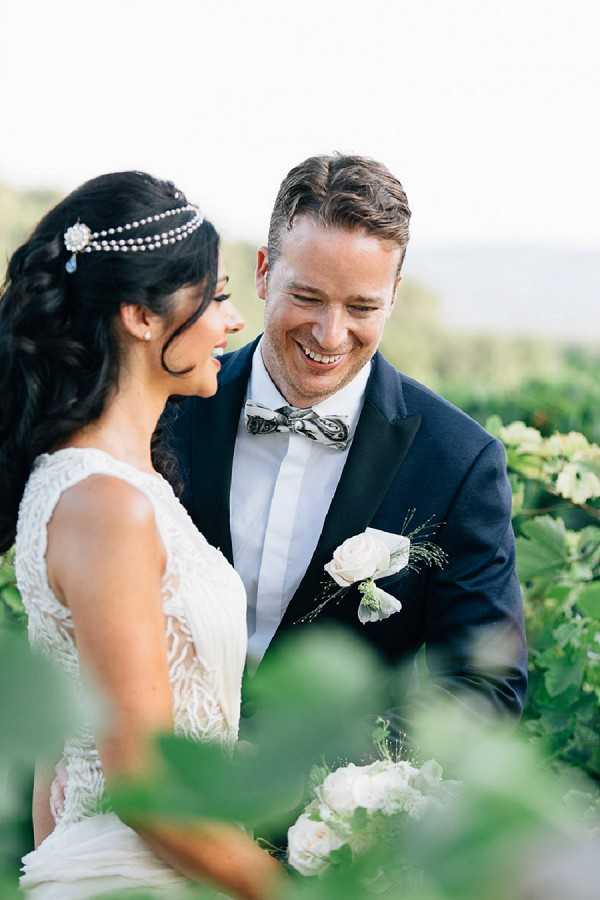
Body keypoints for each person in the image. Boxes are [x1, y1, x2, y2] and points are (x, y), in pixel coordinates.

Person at [0, 172, 281, 899]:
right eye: (216, 297)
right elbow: (146, 787)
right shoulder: (105, 503)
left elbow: (56, 763)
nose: (232, 322)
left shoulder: (104, 485)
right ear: (141, 316)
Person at [169, 154, 528, 717]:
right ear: (264, 272)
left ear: (394, 295)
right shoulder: (171, 410)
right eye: (307, 297)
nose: (330, 335)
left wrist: (346, 789)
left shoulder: (458, 461)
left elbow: (485, 687)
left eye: (361, 306)